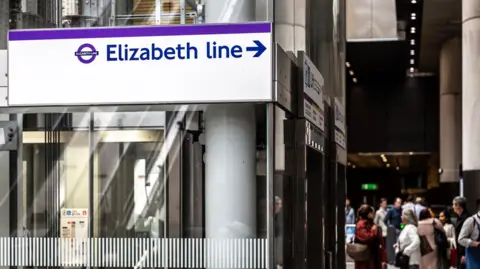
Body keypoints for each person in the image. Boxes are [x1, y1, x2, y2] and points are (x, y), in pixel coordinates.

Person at [354, 204, 386, 269]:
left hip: (374, 257)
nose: (373, 214)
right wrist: (373, 231)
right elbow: (366, 238)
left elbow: (381, 243)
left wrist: (384, 259)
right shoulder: (361, 224)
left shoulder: (372, 224)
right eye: (372, 212)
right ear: (368, 214)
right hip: (365, 259)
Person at [452, 196, 469, 269]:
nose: (452, 207)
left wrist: (464, 254)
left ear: (458, 205)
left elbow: (466, 237)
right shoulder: (461, 217)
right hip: (461, 252)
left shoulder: (466, 218)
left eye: (453, 204)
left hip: (464, 253)